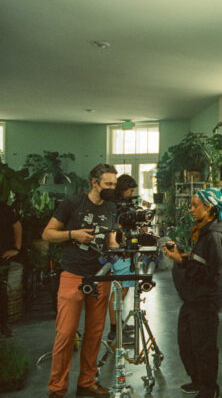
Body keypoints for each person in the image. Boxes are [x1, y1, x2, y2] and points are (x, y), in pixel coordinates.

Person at [43, 164, 118, 398]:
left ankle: (87, 381)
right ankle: (57, 388)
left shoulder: (111, 207)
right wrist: (72, 234)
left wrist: (119, 247)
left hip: (101, 277)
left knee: (95, 333)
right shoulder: (72, 204)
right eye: (108, 184)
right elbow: (48, 233)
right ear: (94, 182)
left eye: (114, 184)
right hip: (73, 275)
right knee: (66, 333)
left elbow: (111, 241)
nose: (112, 188)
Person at [163, 187, 222, 398]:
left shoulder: (214, 237)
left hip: (204, 301)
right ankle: (198, 381)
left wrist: (180, 260)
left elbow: (210, 272)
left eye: (194, 205)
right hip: (192, 299)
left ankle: (210, 388)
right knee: (187, 343)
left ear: (208, 207)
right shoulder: (203, 232)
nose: (190, 210)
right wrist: (184, 255)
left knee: (204, 346)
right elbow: (201, 260)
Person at [107, 174, 138, 342]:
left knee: (122, 289)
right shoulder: (115, 207)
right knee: (120, 290)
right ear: (124, 189)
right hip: (118, 252)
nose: (131, 194)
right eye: (131, 190)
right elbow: (115, 228)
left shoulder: (119, 205)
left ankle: (118, 324)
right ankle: (114, 328)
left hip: (122, 251)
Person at [0, 199, 22, 337]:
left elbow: (17, 225)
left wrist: (16, 248)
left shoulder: (2, 206)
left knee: (1, 290)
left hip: (2, 256)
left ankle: (3, 324)